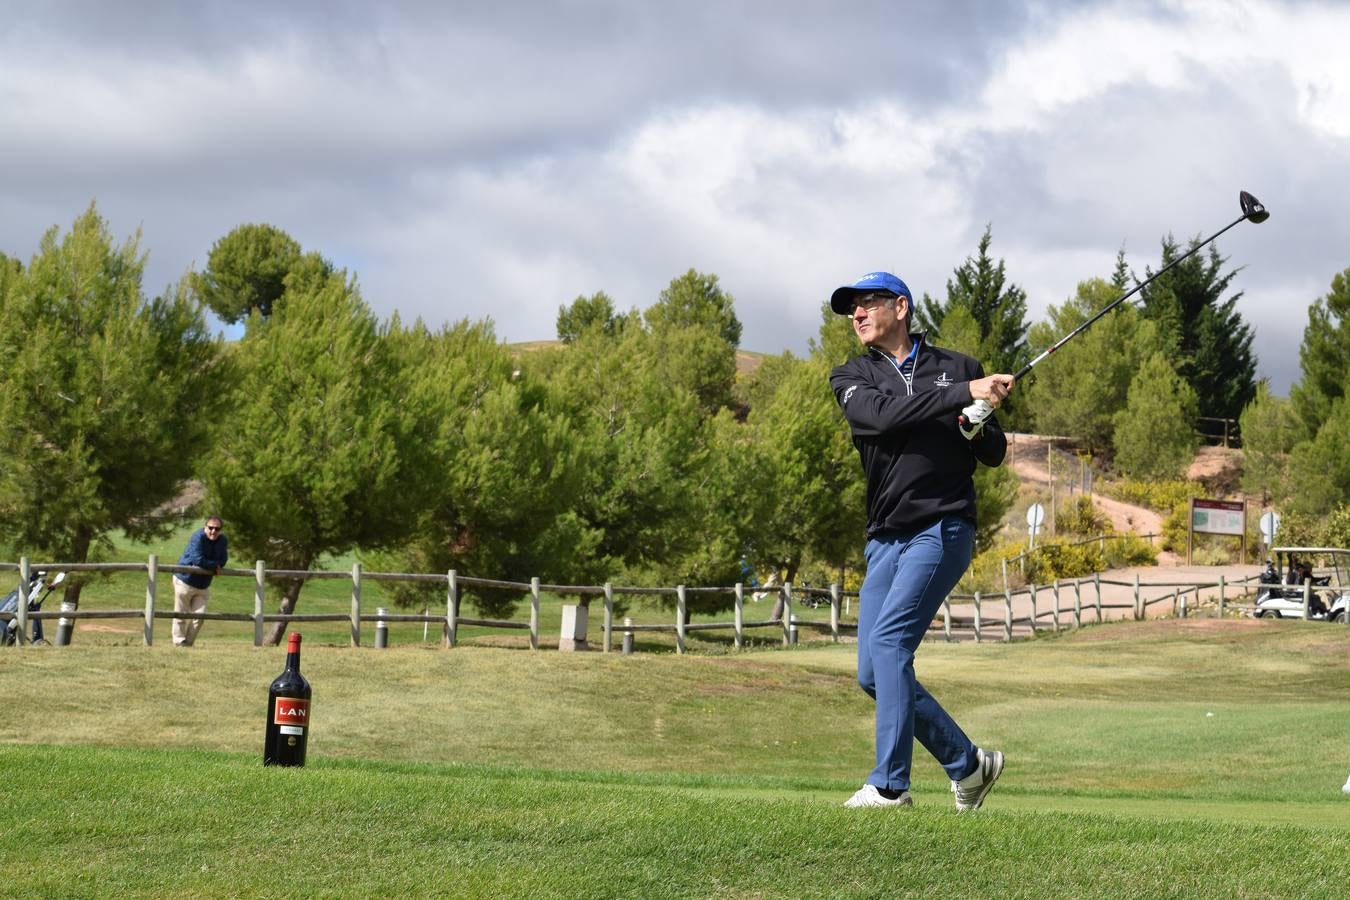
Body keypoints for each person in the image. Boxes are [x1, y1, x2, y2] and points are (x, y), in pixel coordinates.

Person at [827, 271, 1015, 811]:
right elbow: (879, 418)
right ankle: (969, 765)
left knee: (890, 646)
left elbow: (993, 453)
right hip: (885, 536)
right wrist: (963, 395)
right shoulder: (853, 374)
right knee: (872, 671)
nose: (857, 315)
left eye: (867, 304)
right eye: (852, 309)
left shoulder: (958, 366)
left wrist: (975, 422)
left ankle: (890, 786)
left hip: (942, 525)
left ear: (900, 306)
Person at [173, 516, 228, 646]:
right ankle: (179, 642)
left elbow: (223, 560)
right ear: (205, 527)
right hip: (185, 580)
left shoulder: (223, 540)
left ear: (221, 530)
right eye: (210, 528)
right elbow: (198, 559)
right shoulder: (197, 537)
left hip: (203, 585)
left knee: (200, 616)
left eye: (217, 528)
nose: (213, 531)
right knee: (181, 614)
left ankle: (188, 643)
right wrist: (215, 566)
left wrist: (214, 564)